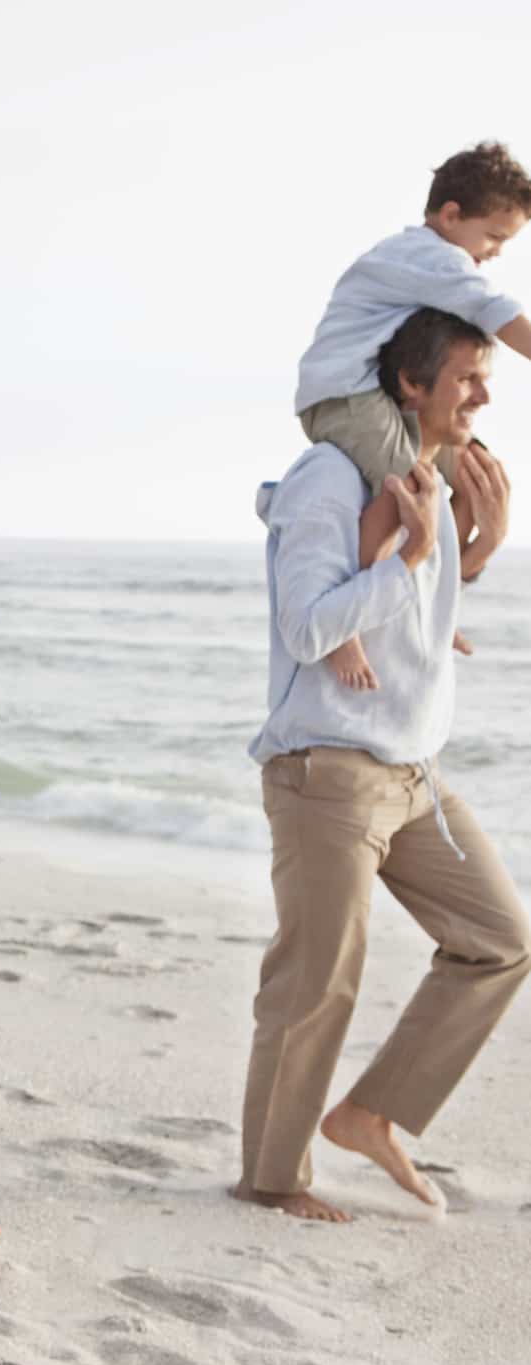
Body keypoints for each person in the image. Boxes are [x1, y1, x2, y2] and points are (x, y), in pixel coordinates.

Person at [239, 307, 530, 1224]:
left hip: (413, 775)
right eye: (466, 377)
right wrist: (412, 555)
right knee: (316, 979)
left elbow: (417, 611)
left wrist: (476, 548)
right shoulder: (326, 479)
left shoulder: (428, 478)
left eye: (487, 375)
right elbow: (309, 625)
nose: (483, 393)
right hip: (328, 768)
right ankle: (272, 1177)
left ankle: (371, 1111)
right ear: (410, 384)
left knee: (501, 938)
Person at [295, 141, 531, 691]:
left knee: (473, 481)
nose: (495, 251)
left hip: (388, 400)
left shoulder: (440, 262)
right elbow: (502, 317)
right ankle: (345, 629)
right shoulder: (429, 256)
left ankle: (433, 601)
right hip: (344, 396)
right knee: (406, 490)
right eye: (494, 237)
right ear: (450, 215)